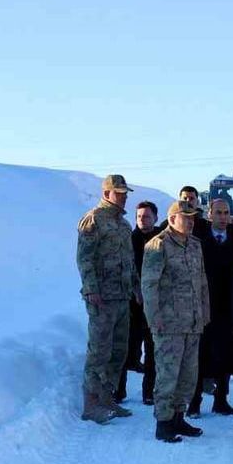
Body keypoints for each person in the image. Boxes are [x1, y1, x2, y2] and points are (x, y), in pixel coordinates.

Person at [141, 200, 210, 443]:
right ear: (172, 219)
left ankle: (179, 417)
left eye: (193, 218)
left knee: (188, 374)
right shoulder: (158, 245)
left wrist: (204, 314)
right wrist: (154, 319)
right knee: (168, 374)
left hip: (192, 322)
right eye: (186, 217)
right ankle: (163, 422)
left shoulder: (194, 245)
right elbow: (149, 285)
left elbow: (201, 282)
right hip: (168, 324)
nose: (191, 222)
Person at [76, 174, 137, 424]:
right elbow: (84, 258)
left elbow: (129, 259)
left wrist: (135, 286)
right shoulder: (93, 220)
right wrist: (91, 289)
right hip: (101, 297)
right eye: (119, 192)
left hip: (121, 295)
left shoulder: (123, 225)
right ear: (106, 194)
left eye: (124, 193)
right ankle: (91, 403)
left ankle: (106, 397)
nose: (123, 197)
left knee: (118, 350)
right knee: (99, 350)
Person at [198, 198, 233, 415]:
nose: (223, 217)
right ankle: (194, 401)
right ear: (210, 215)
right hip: (205, 306)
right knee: (201, 354)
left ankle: (221, 400)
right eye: (219, 213)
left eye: (226, 213)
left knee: (226, 354)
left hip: (228, 307)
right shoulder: (199, 241)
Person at [116, 201, 162, 405]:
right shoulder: (128, 239)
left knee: (153, 350)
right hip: (132, 304)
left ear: (155, 218)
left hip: (155, 304)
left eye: (146, 216)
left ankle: (149, 391)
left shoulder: (162, 240)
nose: (142, 220)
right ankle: (119, 390)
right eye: (139, 216)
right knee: (127, 348)